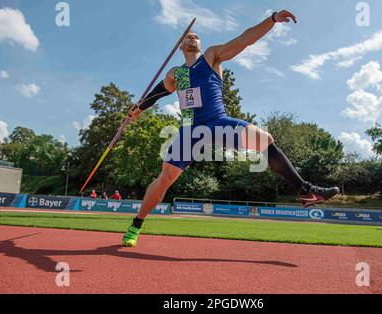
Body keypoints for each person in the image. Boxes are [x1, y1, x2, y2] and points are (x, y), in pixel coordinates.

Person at [122, 10, 340, 247]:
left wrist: (272, 19)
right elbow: (160, 91)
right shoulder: (176, 73)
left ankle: (306, 190)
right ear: (180, 47)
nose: (192, 38)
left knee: (265, 139)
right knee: (165, 178)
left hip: (218, 122)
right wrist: (139, 108)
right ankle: (135, 226)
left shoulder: (212, 57)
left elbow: (244, 40)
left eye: (196, 36)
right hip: (190, 130)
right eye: (188, 37)